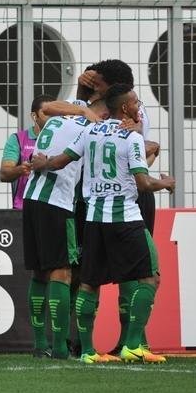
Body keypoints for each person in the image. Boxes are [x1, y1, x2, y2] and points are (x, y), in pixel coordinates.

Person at [35, 84, 175, 364]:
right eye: (135, 103)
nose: (138, 107)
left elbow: (62, 161)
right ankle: (133, 345)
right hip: (125, 218)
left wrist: (43, 163)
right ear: (124, 108)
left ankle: (88, 351)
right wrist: (167, 183)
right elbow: (143, 183)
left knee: (89, 283)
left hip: (94, 219)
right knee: (151, 277)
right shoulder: (132, 138)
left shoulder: (90, 132)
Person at [76, 59, 159, 353]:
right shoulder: (99, 111)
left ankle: (131, 339)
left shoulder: (128, 113)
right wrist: (82, 95)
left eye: (96, 82)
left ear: (110, 89)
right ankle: (115, 344)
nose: (91, 86)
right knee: (97, 274)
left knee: (134, 270)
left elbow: (139, 145)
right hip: (104, 200)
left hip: (129, 197)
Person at [22, 97, 104, 359]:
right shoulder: (90, 128)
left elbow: (46, 107)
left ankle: (39, 345)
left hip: (31, 198)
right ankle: (59, 347)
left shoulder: (57, 119)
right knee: (62, 272)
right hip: (57, 202)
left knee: (39, 272)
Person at [0, 96, 46, 209]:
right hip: (24, 208)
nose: (52, 118)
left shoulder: (62, 139)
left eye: (55, 114)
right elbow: (4, 174)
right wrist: (21, 169)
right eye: (46, 113)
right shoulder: (17, 139)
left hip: (54, 207)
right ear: (34, 116)